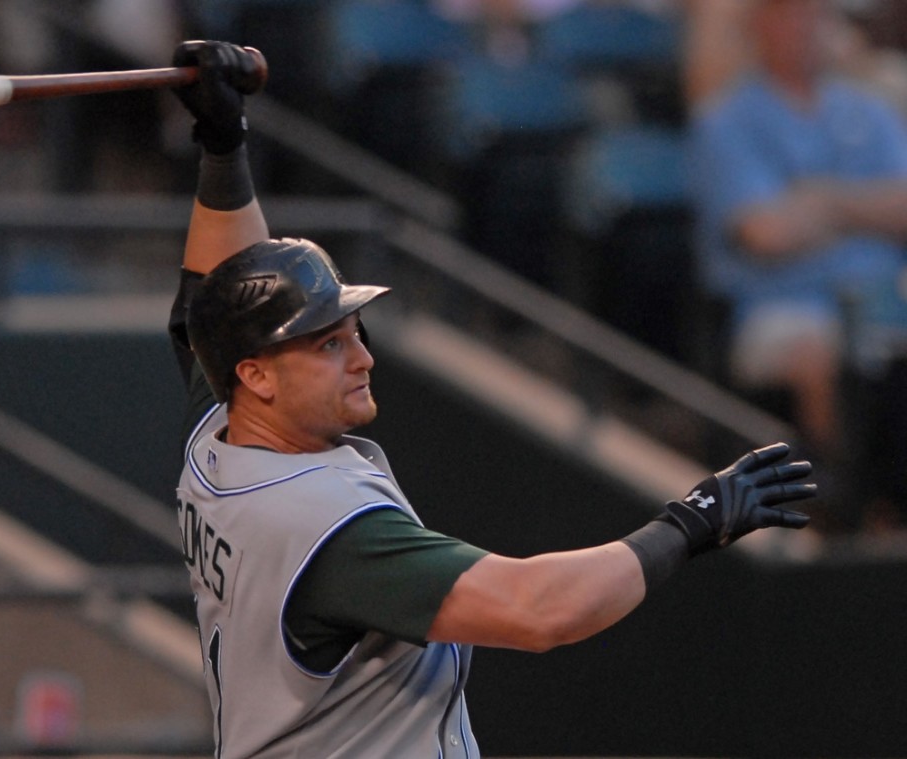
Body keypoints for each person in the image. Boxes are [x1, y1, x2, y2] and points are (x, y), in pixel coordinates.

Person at [168, 40, 817, 759]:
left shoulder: (220, 434)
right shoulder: (322, 524)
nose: (363, 358)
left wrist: (223, 144)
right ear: (258, 375)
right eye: (328, 344)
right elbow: (541, 610)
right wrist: (691, 521)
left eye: (355, 332)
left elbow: (215, 290)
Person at [687, 0, 907, 529]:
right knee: (822, 350)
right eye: (789, 15)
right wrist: (862, 210)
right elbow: (767, 233)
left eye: (814, 14)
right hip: (781, 307)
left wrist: (823, 201)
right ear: (758, 27)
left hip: (884, 298)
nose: (805, 28)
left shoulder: (867, 111)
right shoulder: (728, 119)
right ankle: (848, 509)